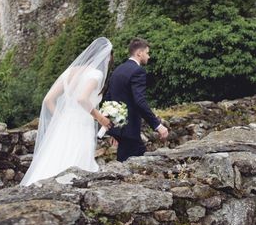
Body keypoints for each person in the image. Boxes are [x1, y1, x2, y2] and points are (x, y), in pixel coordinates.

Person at [20, 37, 113, 186]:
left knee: (55, 157)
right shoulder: (96, 74)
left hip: (64, 124)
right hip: (81, 125)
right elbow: (82, 99)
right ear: (106, 56)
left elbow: (48, 100)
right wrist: (100, 118)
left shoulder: (70, 72)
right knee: (77, 161)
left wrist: (61, 118)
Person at [106, 38, 168, 162]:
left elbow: (109, 98)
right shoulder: (137, 71)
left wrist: (114, 131)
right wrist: (157, 125)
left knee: (137, 164)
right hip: (130, 131)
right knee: (131, 168)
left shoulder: (118, 70)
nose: (148, 57)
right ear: (139, 53)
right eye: (147, 53)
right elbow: (139, 101)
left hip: (121, 130)